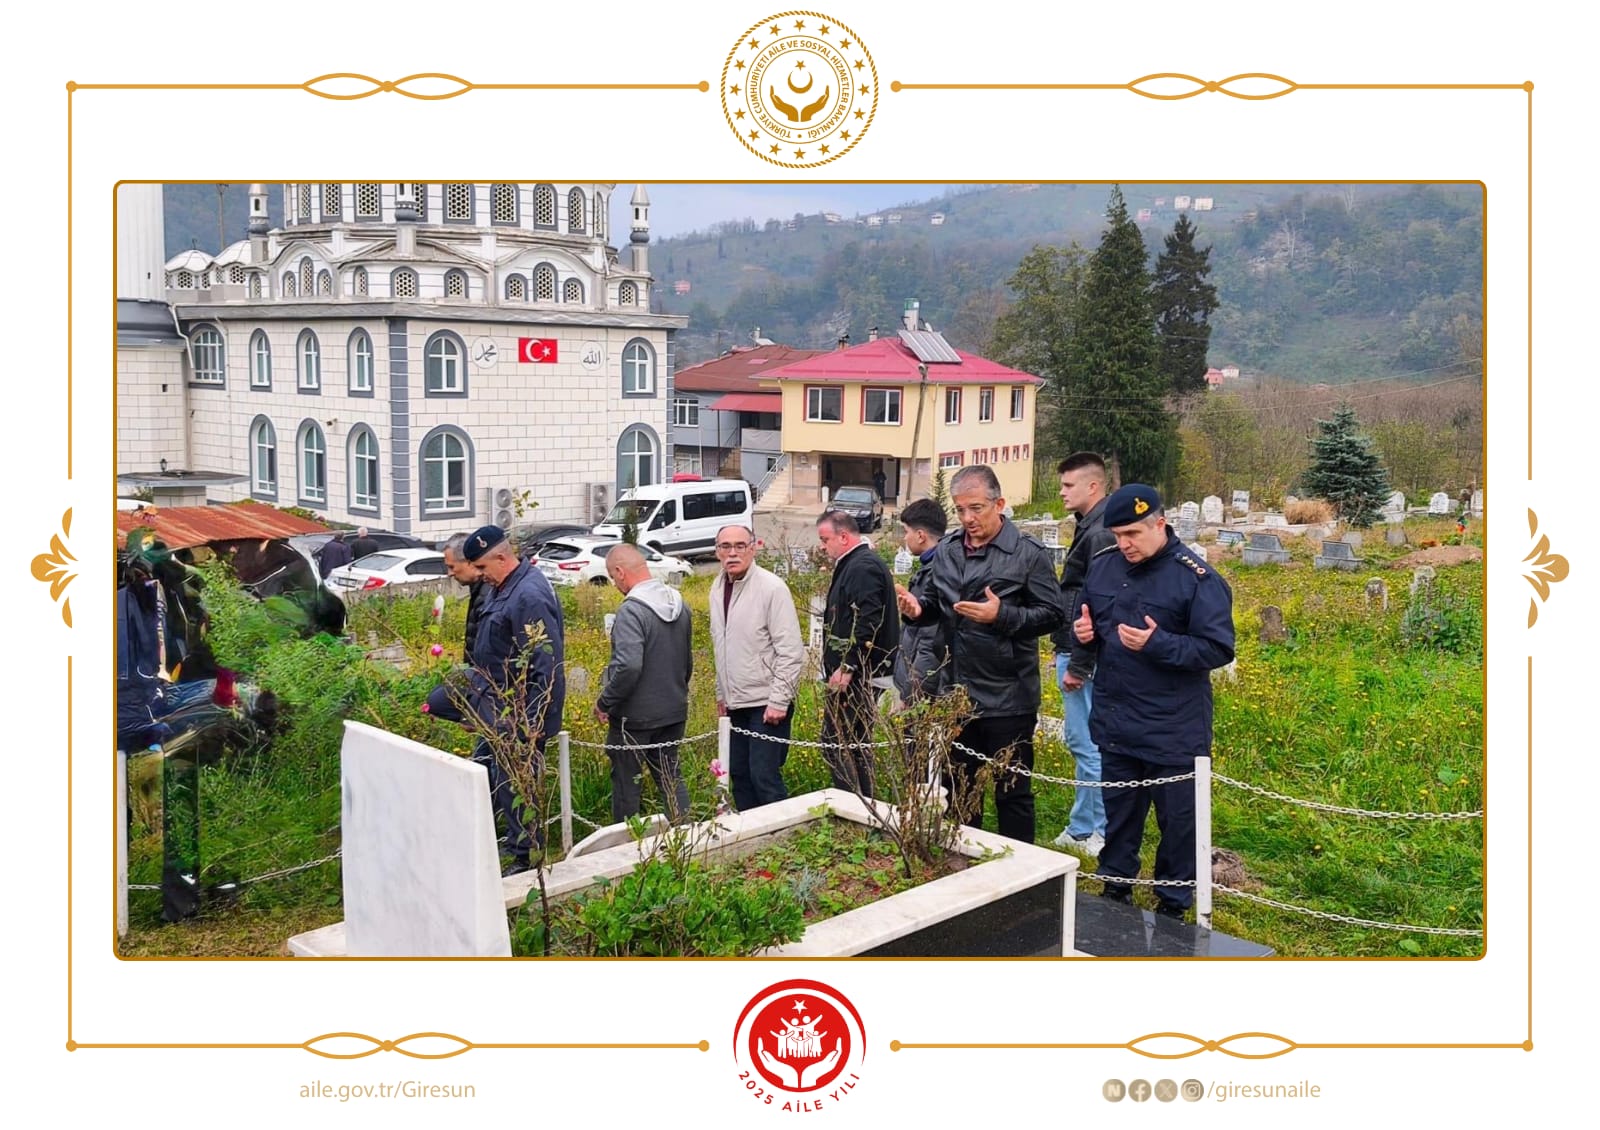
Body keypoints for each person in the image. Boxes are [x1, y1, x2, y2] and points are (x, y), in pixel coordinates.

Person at [1074, 483, 1235, 919]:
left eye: (1133, 534)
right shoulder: (1104, 567)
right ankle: (1115, 888)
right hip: (1116, 719)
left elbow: (1218, 647)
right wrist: (1082, 635)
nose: (1124, 544)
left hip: (1173, 727)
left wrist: (1158, 643)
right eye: (1118, 535)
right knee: (1120, 815)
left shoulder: (1196, 578)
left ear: (1160, 524)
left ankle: (1173, 903)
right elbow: (1087, 619)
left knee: (1178, 823)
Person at [896, 465, 1064, 843]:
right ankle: (967, 858)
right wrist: (918, 610)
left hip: (1009, 696)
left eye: (976, 508)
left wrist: (1002, 616)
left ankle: (1019, 868)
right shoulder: (948, 551)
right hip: (957, 693)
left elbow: (1053, 614)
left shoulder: (1027, 554)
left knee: (1012, 792)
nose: (968, 518)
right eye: (960, 510)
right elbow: (937, 605)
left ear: (999, 504)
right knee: (959, 787)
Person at [460, 525, 566, 876]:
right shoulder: (502, 587)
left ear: (502, 558)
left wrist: (533, 722)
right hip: (496, 707)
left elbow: (546, 666)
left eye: (482, 567)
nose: (479, 575)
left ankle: (526, 860)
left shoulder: (528, 595)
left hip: (519, 715)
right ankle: (508, 843)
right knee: (493, 778)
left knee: (516, 785)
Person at [595, 543, 693, 823]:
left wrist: (605, 702)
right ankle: (686, 835)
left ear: (620, 572)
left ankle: (627, 843)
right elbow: (686, 661)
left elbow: (628, 666)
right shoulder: (679, 604)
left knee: (627, 785)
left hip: (634, 718)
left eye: (612, 578)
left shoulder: (632, 611)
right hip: (674, 709)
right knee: (670, 777)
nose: (615, 584)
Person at [709, 524, 805, 811]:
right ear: (717, 551)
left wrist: (779, 700)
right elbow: (721, 644)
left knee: (764, 776)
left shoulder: (771, 588)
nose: (733, 553)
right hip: (735, 701)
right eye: (726, 546)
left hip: (766, 703)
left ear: (753, 548)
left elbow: (790, 650)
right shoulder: (717, 587)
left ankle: (784, 833)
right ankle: (752, 832)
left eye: (740, 546)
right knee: (739, 775)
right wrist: (721, 693)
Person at [1048, 453, 1117, 856]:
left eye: (1068, 485)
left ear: (1093, 486)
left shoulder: (1100, 532)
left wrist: (1077, 661)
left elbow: (1094, 602)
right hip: (1074, 647)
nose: (1061, 492)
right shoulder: (1089, 525)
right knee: (1083, 742)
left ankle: (1097, 832)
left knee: (1088, 743)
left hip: (1084, 653)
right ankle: (1083, 826)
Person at [816, 509, 899, 795]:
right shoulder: (855, 563)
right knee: (854, 744)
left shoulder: (863, 566)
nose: (822, 547)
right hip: (857, 672)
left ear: (843, 537)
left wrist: (848, 666)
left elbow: (869, 621)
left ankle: (854, 806)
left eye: (825, 539)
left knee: (836, 742)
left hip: (859, 674)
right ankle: (864, 806)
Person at [423, 532, 489, 721]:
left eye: (452, 567)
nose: (450, 573)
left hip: (486, 686)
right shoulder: (480, 590)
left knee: (438, 700)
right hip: (479, 681)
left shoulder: (489, 594)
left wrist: (475, 710)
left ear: (470, 562)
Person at [891, 498, 948, 706]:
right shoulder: (931, 566)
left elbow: (928, 642)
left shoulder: (937, 572)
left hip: (921, 690)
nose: (905, 538)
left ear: (921, 535)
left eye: (906, 532)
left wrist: (911, 695)